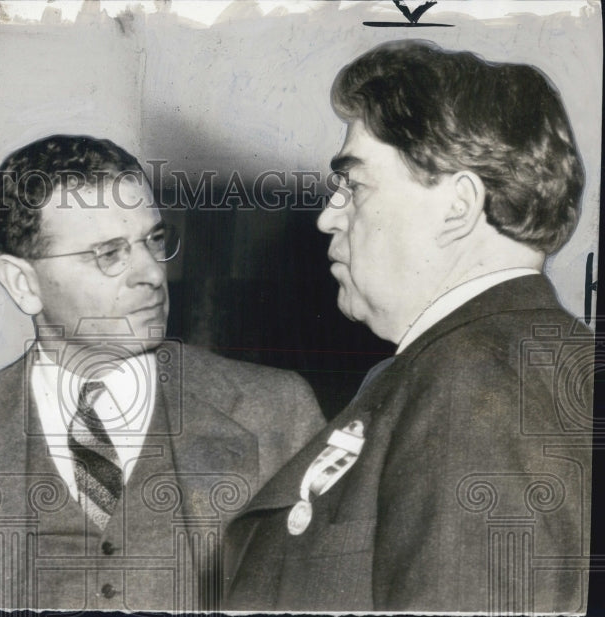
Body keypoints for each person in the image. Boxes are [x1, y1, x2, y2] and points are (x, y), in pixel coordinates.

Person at [0, 134, 323, 610]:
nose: (152, 273)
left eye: (154, 241)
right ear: (22, 283)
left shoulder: (276, 413)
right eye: (109, 254)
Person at [225, 39, 592, 613]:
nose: (327, 216)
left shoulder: (473, 383)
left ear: (457, 206)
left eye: (355, 184)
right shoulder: (506, 361)